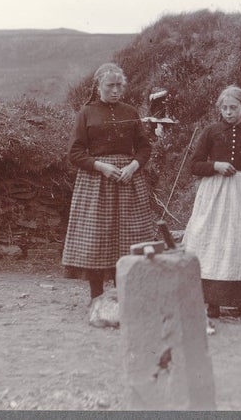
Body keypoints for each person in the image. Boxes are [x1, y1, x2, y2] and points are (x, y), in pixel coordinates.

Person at [62, 63, 157, 301]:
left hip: (128, 181)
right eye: (110, 85)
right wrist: (101, 167)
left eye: (119, 85)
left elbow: (144, 147)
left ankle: (123, 296)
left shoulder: (130, 112)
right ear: (98, 86)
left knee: (128, 238)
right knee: (98, 236)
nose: (115, 90)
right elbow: (75, 153)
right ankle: (97, 298)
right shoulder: (87, 113)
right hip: (97, 182)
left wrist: (133, 166)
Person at [182, 85, 241, 318]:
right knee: (214, 243)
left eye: (234, 107)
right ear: (220, 109)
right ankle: (212, 301)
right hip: (215, 194)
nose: (229, 112)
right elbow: (194, 165)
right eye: (225, 108)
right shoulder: (211, 132)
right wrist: (215, 166)